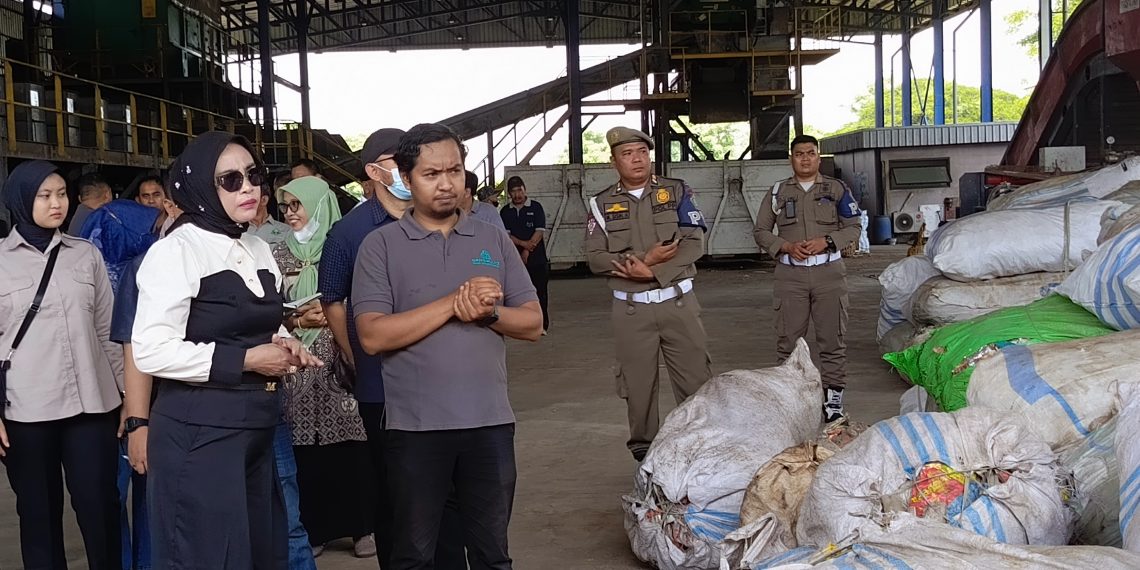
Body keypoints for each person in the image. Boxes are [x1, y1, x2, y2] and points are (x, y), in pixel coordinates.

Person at [354, 123, 543, 570]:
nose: (446, 184)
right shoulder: (380, 247)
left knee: (493, 555)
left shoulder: (491, 238)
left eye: (454, 171)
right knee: (415, 556)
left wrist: (488, 313)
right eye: (431, 174)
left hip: (490, 425)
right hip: (416, 430)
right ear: (406, 177)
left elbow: (534, 323)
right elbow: (373, 335)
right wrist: (452, 304)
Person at [131, 131, 321, 568]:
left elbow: (258, 321)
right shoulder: (176, 252)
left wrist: (282, 340)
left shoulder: (256, 246)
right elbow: (151, 349)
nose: (248, 188)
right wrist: (246, 360)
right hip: (200, 434)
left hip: (256, 428)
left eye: (253, 175)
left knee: (257, 553)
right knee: (207, 555)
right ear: (199, 186)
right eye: (230, 180)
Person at [320, 127, 468, 569]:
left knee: (450, 491)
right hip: (383, 385)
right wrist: (354, 355)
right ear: (374, 171)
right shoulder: (350, 233)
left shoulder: (445, 222)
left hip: (445, 382)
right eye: (395, 161)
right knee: (395, 491)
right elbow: (333, 298)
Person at [0, 160, 124, 569]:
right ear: (21, 200)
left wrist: (129, 397)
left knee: (100, 507)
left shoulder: (85, 255)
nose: (57, 204)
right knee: (38, 515)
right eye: (44, 196)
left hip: (91, 407)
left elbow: (108, 331)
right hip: (26, 412)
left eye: (60, 194)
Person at [584, 126, 712, 462]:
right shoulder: (601, 203)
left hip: (679, 304)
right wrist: (645, 259)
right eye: (627, 154)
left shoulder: (676, 191)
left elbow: (694, 243)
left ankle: (700, 455)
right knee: (638, 389)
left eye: (642, 152)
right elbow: (595, 258)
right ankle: (646, 460)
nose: (637, 159)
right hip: (631, 312)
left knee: (696, 383)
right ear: (614, 162)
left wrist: (653, 272)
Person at [274, 176, 376, 558]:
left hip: (339, 357)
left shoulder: (342, 247)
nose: (290, 213)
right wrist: (298, 319)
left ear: (318, 205)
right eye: (285, 207)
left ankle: (362, 528)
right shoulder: (276, 254)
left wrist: (335, 314)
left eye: (297, 205)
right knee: (305, 450)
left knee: (352, 445)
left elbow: (368, 298)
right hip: (297, 365)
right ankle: (315, 529)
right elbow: (268, 308)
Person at [753, 134, 861, 423]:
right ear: (791, 158)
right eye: (799, 153)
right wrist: (785, 246)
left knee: (832, 339)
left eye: (810, 153)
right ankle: (789, 399)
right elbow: (760, 231)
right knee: (788, 342)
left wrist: (827, 241)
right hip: (790, 276)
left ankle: (833, 400)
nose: (805, 158)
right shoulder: (777, 191)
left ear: (818, 157)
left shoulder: (836, 189)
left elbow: (853, 226)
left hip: (829, 274)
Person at [500, 176, 550, 332]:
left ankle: (542, 325)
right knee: (516, 294)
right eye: (513, 191)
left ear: (525, 190)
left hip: (537, 259)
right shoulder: (505, 212)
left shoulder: (536, 207)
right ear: (509, 193)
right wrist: (523, 245)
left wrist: (527, 250)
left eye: (520, 190)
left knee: (540, 292)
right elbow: (506, 235)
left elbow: (539, 231)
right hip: (514, 261)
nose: (517, 195)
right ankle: (520, 325)